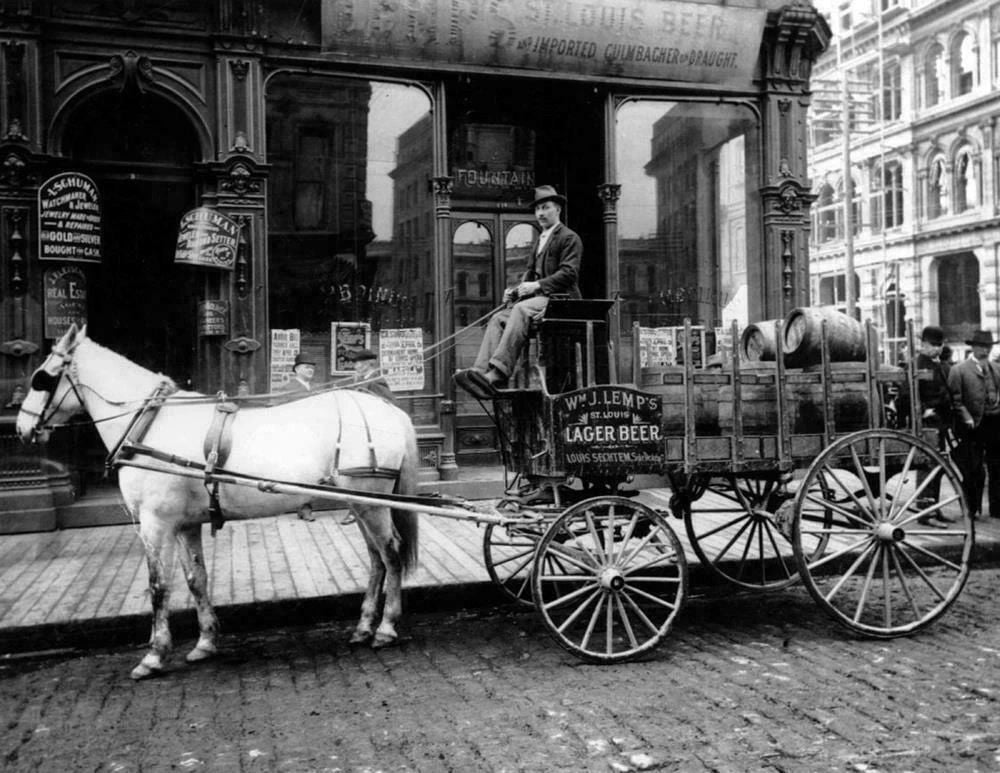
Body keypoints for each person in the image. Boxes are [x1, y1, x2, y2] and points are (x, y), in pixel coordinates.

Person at [454, 185, 582, 399]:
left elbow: (569, 274)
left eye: (545, 207)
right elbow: (530, 274)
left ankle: (498, 372)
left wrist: (536, 286)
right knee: (497, 318)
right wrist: (514, 292)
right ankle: (480, 371)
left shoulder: (569, 238)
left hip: (562, 301)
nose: (540, 213)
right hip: (540, 300)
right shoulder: (541, 240)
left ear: (558, 209)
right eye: (537, 209)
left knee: (521, 310)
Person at [948, 329, 1000, 520]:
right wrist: (966, 417)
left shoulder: (996, 368)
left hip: (995, 423)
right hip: (973, 426)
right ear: (973, 348)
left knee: (997, 467)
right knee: (974, 469)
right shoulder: (959, 370)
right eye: (980, 347)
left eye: (987, 347)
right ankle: (971, 509)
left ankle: (997, 509)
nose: (984, 351)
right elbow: (955, 400)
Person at [913, 325, 953, 526]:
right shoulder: (919, 364)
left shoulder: (936, 364)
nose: (936, 349)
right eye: (932, 345)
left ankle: (934, 509)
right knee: (927, 467)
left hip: (940, 423)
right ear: (923, 344)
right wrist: (921, 412)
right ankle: (925, 513)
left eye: (939, 345)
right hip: (927, 424)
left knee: (938, 467)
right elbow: (908, 395)